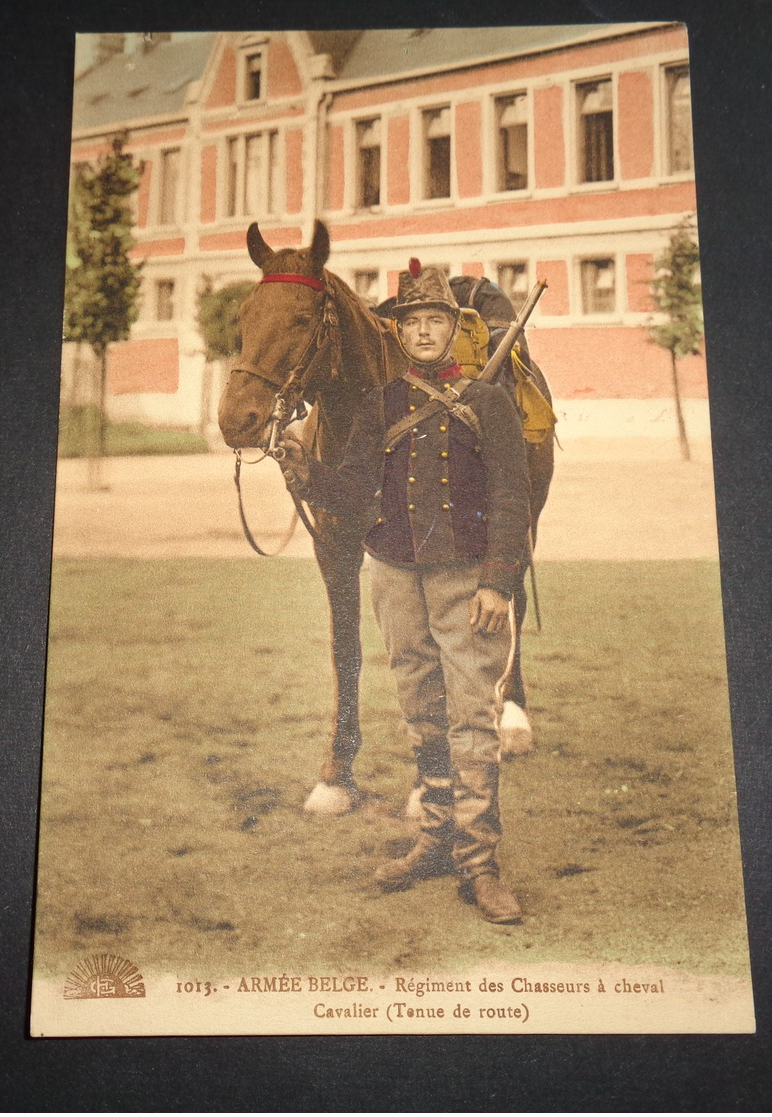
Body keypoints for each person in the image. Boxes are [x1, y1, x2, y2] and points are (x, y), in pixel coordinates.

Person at [279, 260, 531, 924]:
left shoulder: (488, 402)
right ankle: (436, 840)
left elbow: (513, 499)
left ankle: (480, 863)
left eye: (435, 321)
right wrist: (305, 472)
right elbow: (353, 489)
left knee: (472, 717)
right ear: (400, 332)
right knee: (421, 709)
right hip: (393, 574)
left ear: (453, 329)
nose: (423, 332)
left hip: (464, 579)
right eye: (412, 322)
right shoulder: (379, 405)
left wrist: (500, 582)